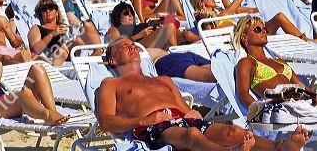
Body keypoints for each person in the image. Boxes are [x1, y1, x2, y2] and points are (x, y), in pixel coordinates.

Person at [97, 36, 310, 150]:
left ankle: (281, 147)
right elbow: (106, 122)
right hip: (153, 127)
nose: (132, 46)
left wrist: (193, 113)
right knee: (192, 135)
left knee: (233, 133)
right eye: (124, 46)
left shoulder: (163, 80)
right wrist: (143, 120)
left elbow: (186, 110)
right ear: (113, 60)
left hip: (181, 121)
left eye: (133, 44)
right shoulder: (110, 84)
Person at [234, 15, 315, 108]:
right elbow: (242, 94)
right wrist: (258, 112)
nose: (263, 31)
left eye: (264, 29)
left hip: (302, 104)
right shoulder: (247, 62)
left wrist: (314, 95)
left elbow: (302, 86)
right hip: (281, 109)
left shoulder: (280, 61)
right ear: (244, 38)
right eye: (257, 29)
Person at [190, 0, 315, 41]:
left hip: (252, 32)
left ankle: (303, 39)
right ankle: (306, 40)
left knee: (280, 17)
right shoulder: (204, 20)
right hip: (247, 39)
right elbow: (209, 34)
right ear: (202, 2)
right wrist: (205, 17)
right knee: (278, 18)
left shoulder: (223, 13)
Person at [28, 0, 103, 67]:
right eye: (44, 9)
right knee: (75, 41)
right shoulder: (37, 28)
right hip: (57, 55)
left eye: (51, 7)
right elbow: (35, 51)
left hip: (74, 51)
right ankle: (89, 62)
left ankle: (97, 51)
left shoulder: (65, 26)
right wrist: (52, 34)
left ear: (57, 12)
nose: (48, 10)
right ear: (41, 14)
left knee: (88, 24)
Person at [105, 2, 197, 50]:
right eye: (126, 13)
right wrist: (139, 35)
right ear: (118, 17)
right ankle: (177, 54)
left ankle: (206, 43)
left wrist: (159, 24)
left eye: (131, 12)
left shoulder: (141, 24)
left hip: (155, 38)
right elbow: (116, 46)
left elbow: (178, 20)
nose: (130, 15)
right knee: (169, 27)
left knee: (187, 34)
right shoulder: (115, 29)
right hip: (141, 47)